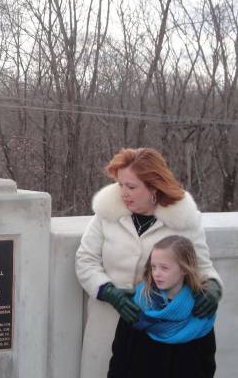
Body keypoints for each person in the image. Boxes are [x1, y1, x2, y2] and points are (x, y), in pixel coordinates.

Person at [75, 147, 222, 378]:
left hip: (157, 330)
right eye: (120, 184)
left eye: (131, 187)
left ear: (154, 187)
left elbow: (201, 266)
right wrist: (108, 291)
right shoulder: (107, 213)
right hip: (107, 320)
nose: (123, 192)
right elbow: (85, 259)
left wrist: (212, 286)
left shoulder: (183, 219)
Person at [109, 235, 217, 378]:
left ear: (184, 269)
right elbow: (120, 357)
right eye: (153, 267)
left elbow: (206, 362)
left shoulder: (200, 310)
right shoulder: (138, 306)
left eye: (164, 268)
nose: (156, 274)